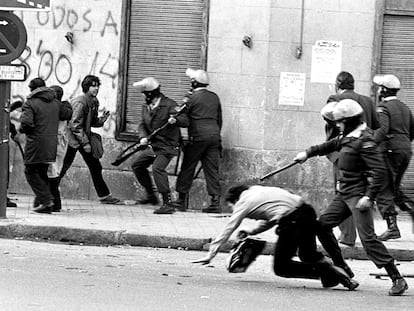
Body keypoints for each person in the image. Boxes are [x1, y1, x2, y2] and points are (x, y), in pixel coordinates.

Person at [294, 99, 408, 296]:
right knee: (321, 225)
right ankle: (341, 266)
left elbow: (380, 171)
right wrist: (307, 153)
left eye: (341, 121)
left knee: (368, 240)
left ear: (351, 121)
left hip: (358, 196)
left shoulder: (365, 141)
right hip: (344, 194)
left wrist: (369, 196)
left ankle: (397, 278)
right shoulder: (349, 136)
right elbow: (330, 145)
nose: (338, 125)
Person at [193, 184, 359, 291]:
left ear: (235, 200)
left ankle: (331, 274)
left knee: (282, 267)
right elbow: (273, 216)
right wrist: (251, 232)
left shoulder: (243, 201)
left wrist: (211, 253)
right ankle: (341, 276)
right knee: (308, 255)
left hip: (293, 221)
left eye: (231, 207)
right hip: (307, 212)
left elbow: (230, 226)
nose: (233, 209)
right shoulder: (258, 191)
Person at [325, 71, 381, 247]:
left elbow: (330, 125)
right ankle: (366, 236)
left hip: (344, 154)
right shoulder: (368, 101)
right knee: (361, 192)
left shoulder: (334, 99)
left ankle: (348, 236)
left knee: (343, 191)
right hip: (365, 155)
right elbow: (376, 127)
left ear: (337, 84)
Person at [131, 77, 189, 214]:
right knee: (137, 165)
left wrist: (176, 120)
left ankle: (167, 203)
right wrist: (143, 137)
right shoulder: (146, 106)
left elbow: (186, 121)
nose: (144, 97)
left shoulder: (169, 104)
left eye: (145, 94)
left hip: (168, 146)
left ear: (151, 93)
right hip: (154, 145)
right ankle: (151, 196)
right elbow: (142, 124)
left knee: (158, 168)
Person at [59, 75, 120, 205]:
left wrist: (102, 120)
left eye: (97, 86)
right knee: (63, 167)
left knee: (95, 166)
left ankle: (104, 196)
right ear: (86, 87)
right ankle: (49, 192)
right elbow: (75, 125)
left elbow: (90, 122)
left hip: (81, 138)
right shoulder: (81, 102)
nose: (96, 88)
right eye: (93, 86)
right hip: (73, 140)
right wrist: (85, 143)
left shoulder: (93, 101)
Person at [172, 68, 223, 213]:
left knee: (188, 167)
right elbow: (219, 119)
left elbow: (180, 115)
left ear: (194, 83)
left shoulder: (191, 98)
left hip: (198, 137)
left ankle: (181, 200)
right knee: (212, 170)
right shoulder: (214, 97)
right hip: (214, 137)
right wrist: (216, 135)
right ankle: (215, 202)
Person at [19, 78, 72, 213]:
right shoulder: (55, 103)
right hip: (52, 144)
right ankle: (46, 205)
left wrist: (24, 131)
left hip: (35, 143)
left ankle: (46, 200)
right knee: (42, 172)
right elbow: (67, 114)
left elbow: (26, 123)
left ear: (32, 89)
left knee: (30, 171)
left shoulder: (30, 103)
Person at [372, 74, 414, 240]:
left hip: (390, 151)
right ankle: (412, 209)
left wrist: (369, 146)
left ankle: (392, 228)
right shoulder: (404, 106)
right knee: (394, 187)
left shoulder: (383, 107)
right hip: (405, 151)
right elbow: (412, 130)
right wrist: (402, 144)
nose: (377, 90)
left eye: (379, 87)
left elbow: (382, 131)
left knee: (384, 188)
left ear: (383, 90)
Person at [47, 85, 72, 211]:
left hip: (56, 142)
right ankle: (54, 203)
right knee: (54, 171)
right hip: (59, 143)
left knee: (52, 172)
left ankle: (54, 203)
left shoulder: (60, 107)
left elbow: (64, 114)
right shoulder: (63, 107)